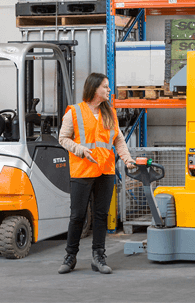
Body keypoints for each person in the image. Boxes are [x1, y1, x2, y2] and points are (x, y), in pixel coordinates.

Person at [57, 73, 136, 274]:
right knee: (77, 216)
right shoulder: (74, 112)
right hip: (82, 171)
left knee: (101, 215)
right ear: (94, 89)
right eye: (105, 87)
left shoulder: (110, 112)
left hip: (105, 171)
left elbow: (118, 139)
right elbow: (63, 139)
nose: (109, 90)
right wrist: (81, 150)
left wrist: (127, 159)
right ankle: (70, 256)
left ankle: (98, 256)